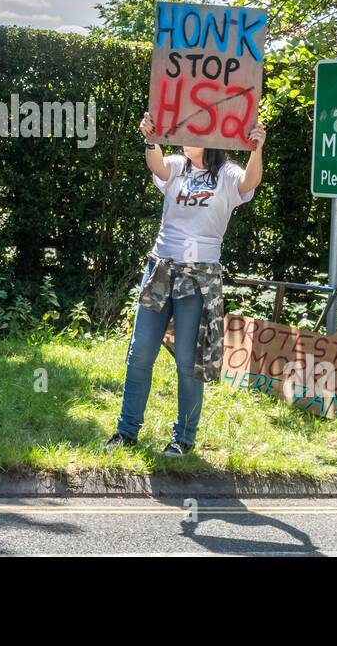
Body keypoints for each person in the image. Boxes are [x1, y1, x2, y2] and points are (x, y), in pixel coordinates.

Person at [106, 112, 265, 456]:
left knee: (187, 360)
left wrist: (257, 149)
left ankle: (183, 438)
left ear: (211, 138)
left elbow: (249, 184)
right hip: (161, 269)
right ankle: (126, 432)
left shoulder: (226, 173)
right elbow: (158, 166)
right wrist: (151, 139)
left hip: (198, 277)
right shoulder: (177, 165)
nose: (182, 136)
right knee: (140, 354)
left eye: (191, 130)